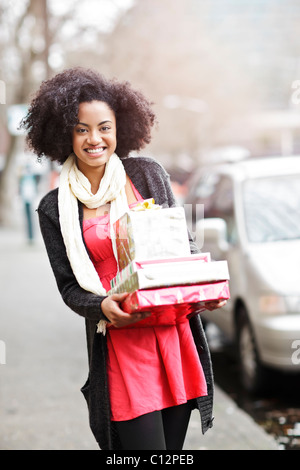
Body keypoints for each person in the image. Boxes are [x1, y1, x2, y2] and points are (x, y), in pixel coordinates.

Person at [21, 67, 226, 451]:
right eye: (81, 129)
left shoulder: (147, 175)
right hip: (120, 344)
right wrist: (101, 306)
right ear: (64, 132)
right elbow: (68, 287)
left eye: (104, 127)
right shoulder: (53, 207)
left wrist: (203, 290)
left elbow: (182, 247)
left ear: (120, 128)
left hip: (171, 335)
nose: (94, 139)